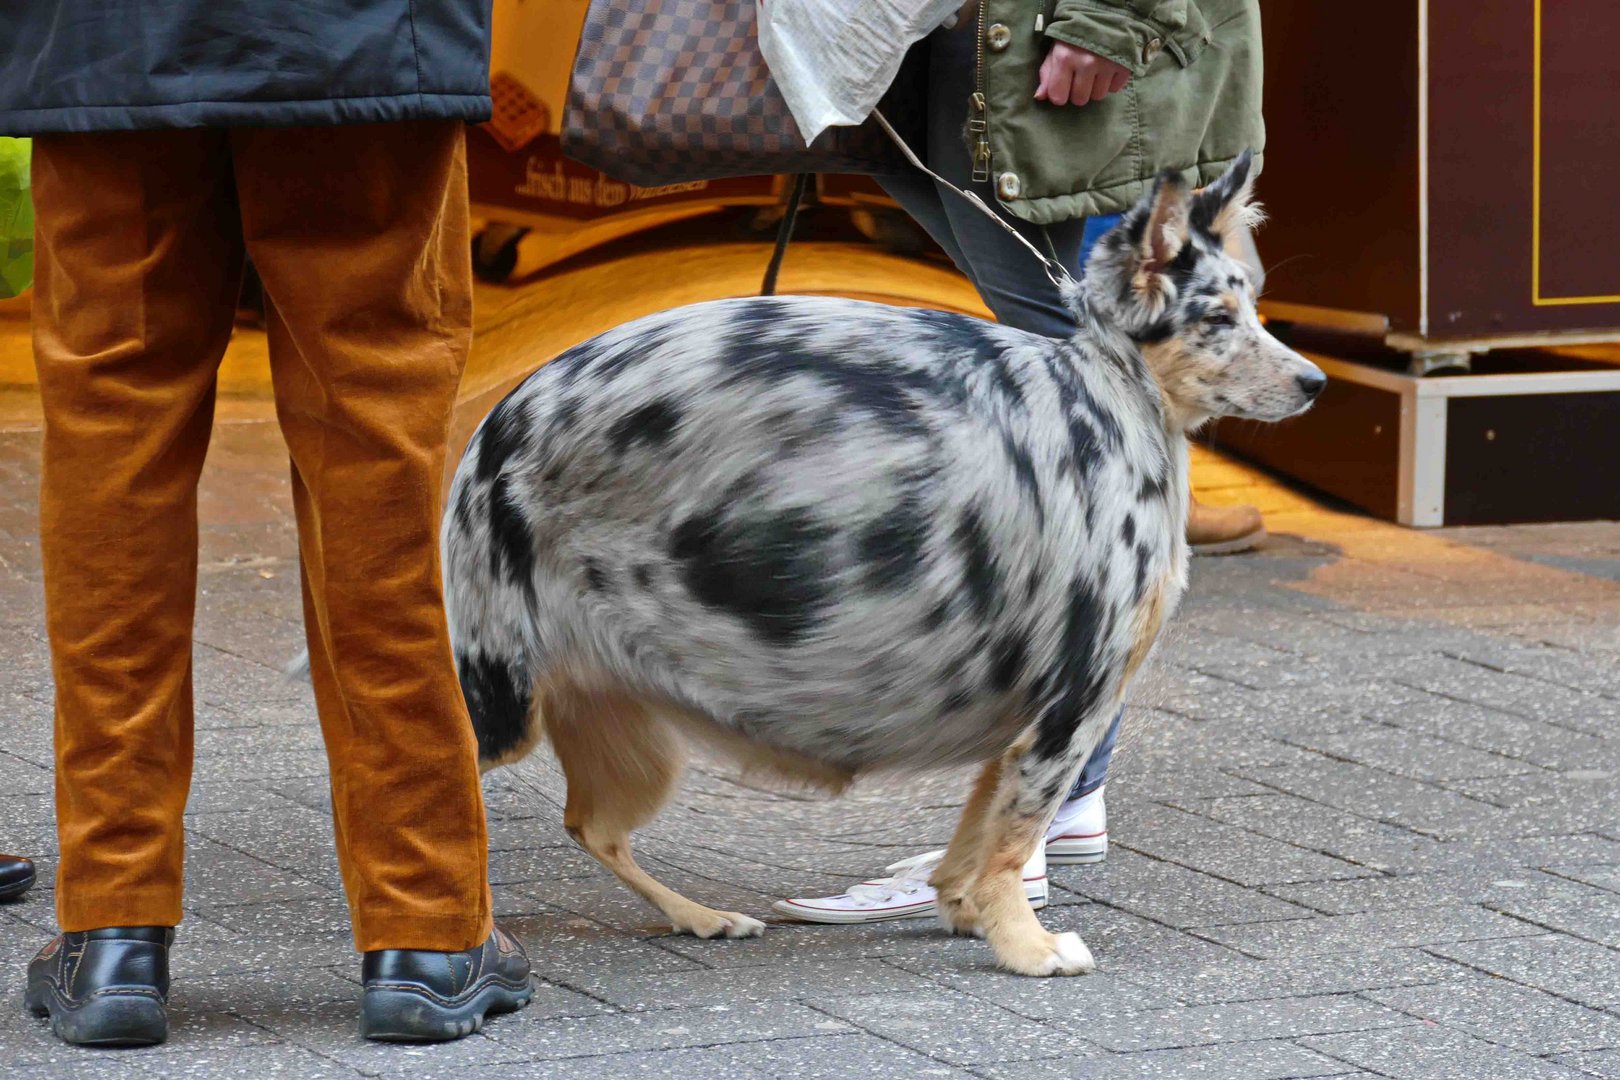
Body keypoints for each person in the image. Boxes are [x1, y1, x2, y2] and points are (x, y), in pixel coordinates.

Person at [2, 4, 531, 1046]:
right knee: (374, 440)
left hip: (108, 35)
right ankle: (424, 930)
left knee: (114, 439)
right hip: (359, 29)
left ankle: (112, 931)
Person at [776, 0, 1264, 922]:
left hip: (1065, 55)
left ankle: (1032, 823)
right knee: (1081, 392)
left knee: (1086, 395)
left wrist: (1113, 20)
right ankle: (1066, 798)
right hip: (983, 63)